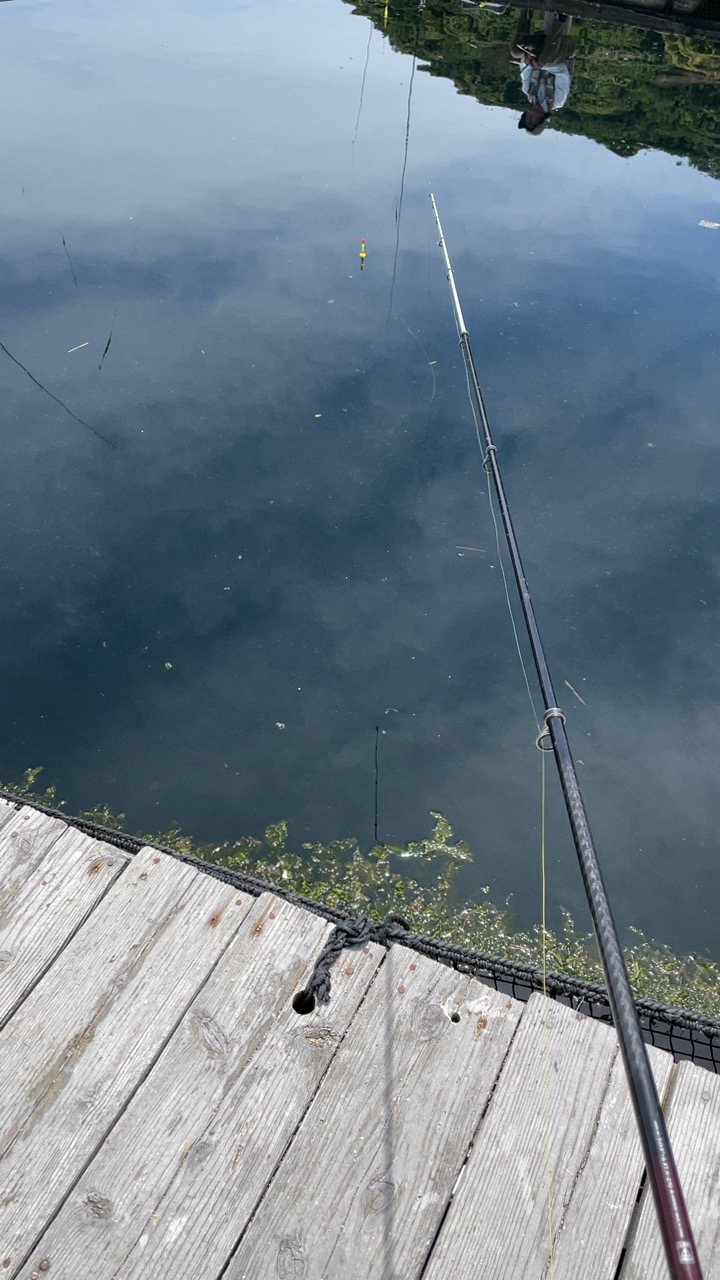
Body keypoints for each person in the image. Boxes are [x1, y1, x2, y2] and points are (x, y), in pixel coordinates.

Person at [510, 9, 577, 135]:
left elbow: (524, 71)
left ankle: (526, 10)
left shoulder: (528, 92)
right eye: (531, 121)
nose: (529, 117)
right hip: (564, 49)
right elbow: (563, 72)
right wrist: (540, 66)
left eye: (526, 119)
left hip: (542, 49)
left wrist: (529, 61)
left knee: (516, 52)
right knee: (544, 60)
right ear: (541, 120)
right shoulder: (557, 101)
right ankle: (561, 18)